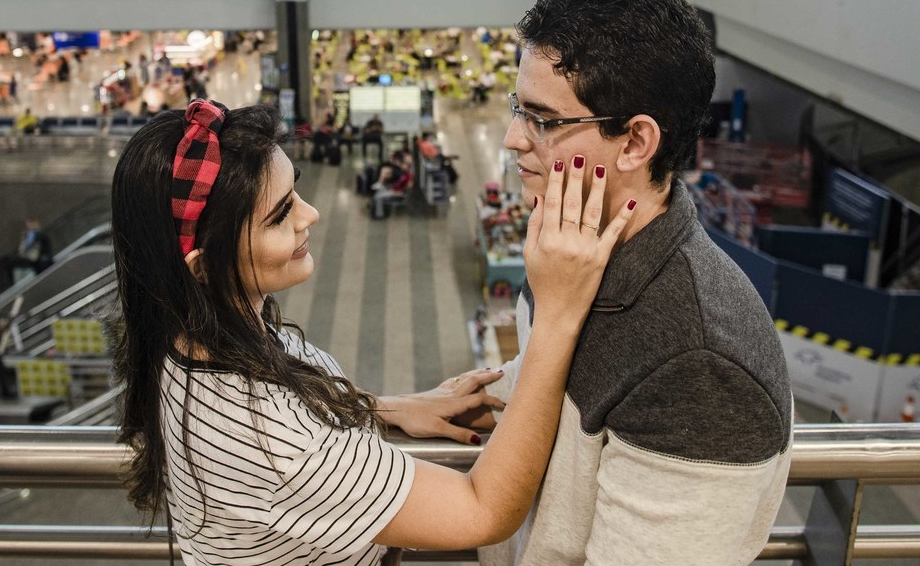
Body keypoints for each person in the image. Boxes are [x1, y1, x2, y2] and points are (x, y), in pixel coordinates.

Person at [110, 99, 635, 566]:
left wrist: (380, 408)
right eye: (280, 215)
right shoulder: (276, 440)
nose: (310, 216)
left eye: (296, 194)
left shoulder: (185, 342)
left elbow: (291, 414)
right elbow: (483, 512)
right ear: (203, 268)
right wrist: (559, 316)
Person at [481, 0, 793, 566]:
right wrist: (486, 395)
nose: (512, 139)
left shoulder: (700, 366)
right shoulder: (568, 249)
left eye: (543, 121)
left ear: (634, 142)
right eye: (518, 109)